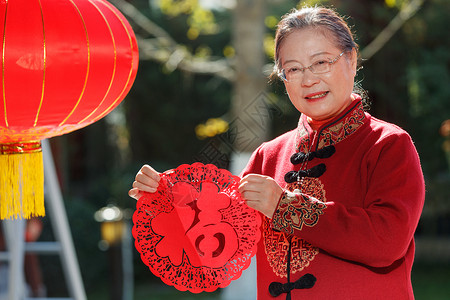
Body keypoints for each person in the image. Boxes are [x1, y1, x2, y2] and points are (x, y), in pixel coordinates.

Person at [129, 6, 425, 300]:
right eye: (293, 69)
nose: (308, 80)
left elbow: (388, 241)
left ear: (351, 59)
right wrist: (168, 198)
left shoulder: (388, 144)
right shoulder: (267, 156)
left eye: (321, 62)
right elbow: (219, 247)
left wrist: (285, 207)